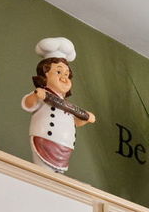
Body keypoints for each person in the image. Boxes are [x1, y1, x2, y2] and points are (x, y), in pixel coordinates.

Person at [22, 37, 96, 174]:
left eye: (67, 74)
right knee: (43, 173)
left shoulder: (66, 105)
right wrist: (36, 95)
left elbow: (73, 122)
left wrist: (85, 119)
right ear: (44, 75)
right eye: (58, 72)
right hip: (45, 141)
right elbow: (28, 104)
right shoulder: (43, 95)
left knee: (57, 176)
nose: (64, 77)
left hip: (65, 148)